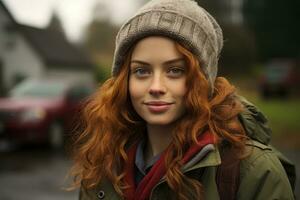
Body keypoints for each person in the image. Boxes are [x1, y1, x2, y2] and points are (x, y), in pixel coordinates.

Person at [69, 0, 295, 199]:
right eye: (141, 71)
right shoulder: (104, 165)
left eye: (175, 70)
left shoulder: (254, 173)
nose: (156, 87)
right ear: (124, 81)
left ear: (203, 81)